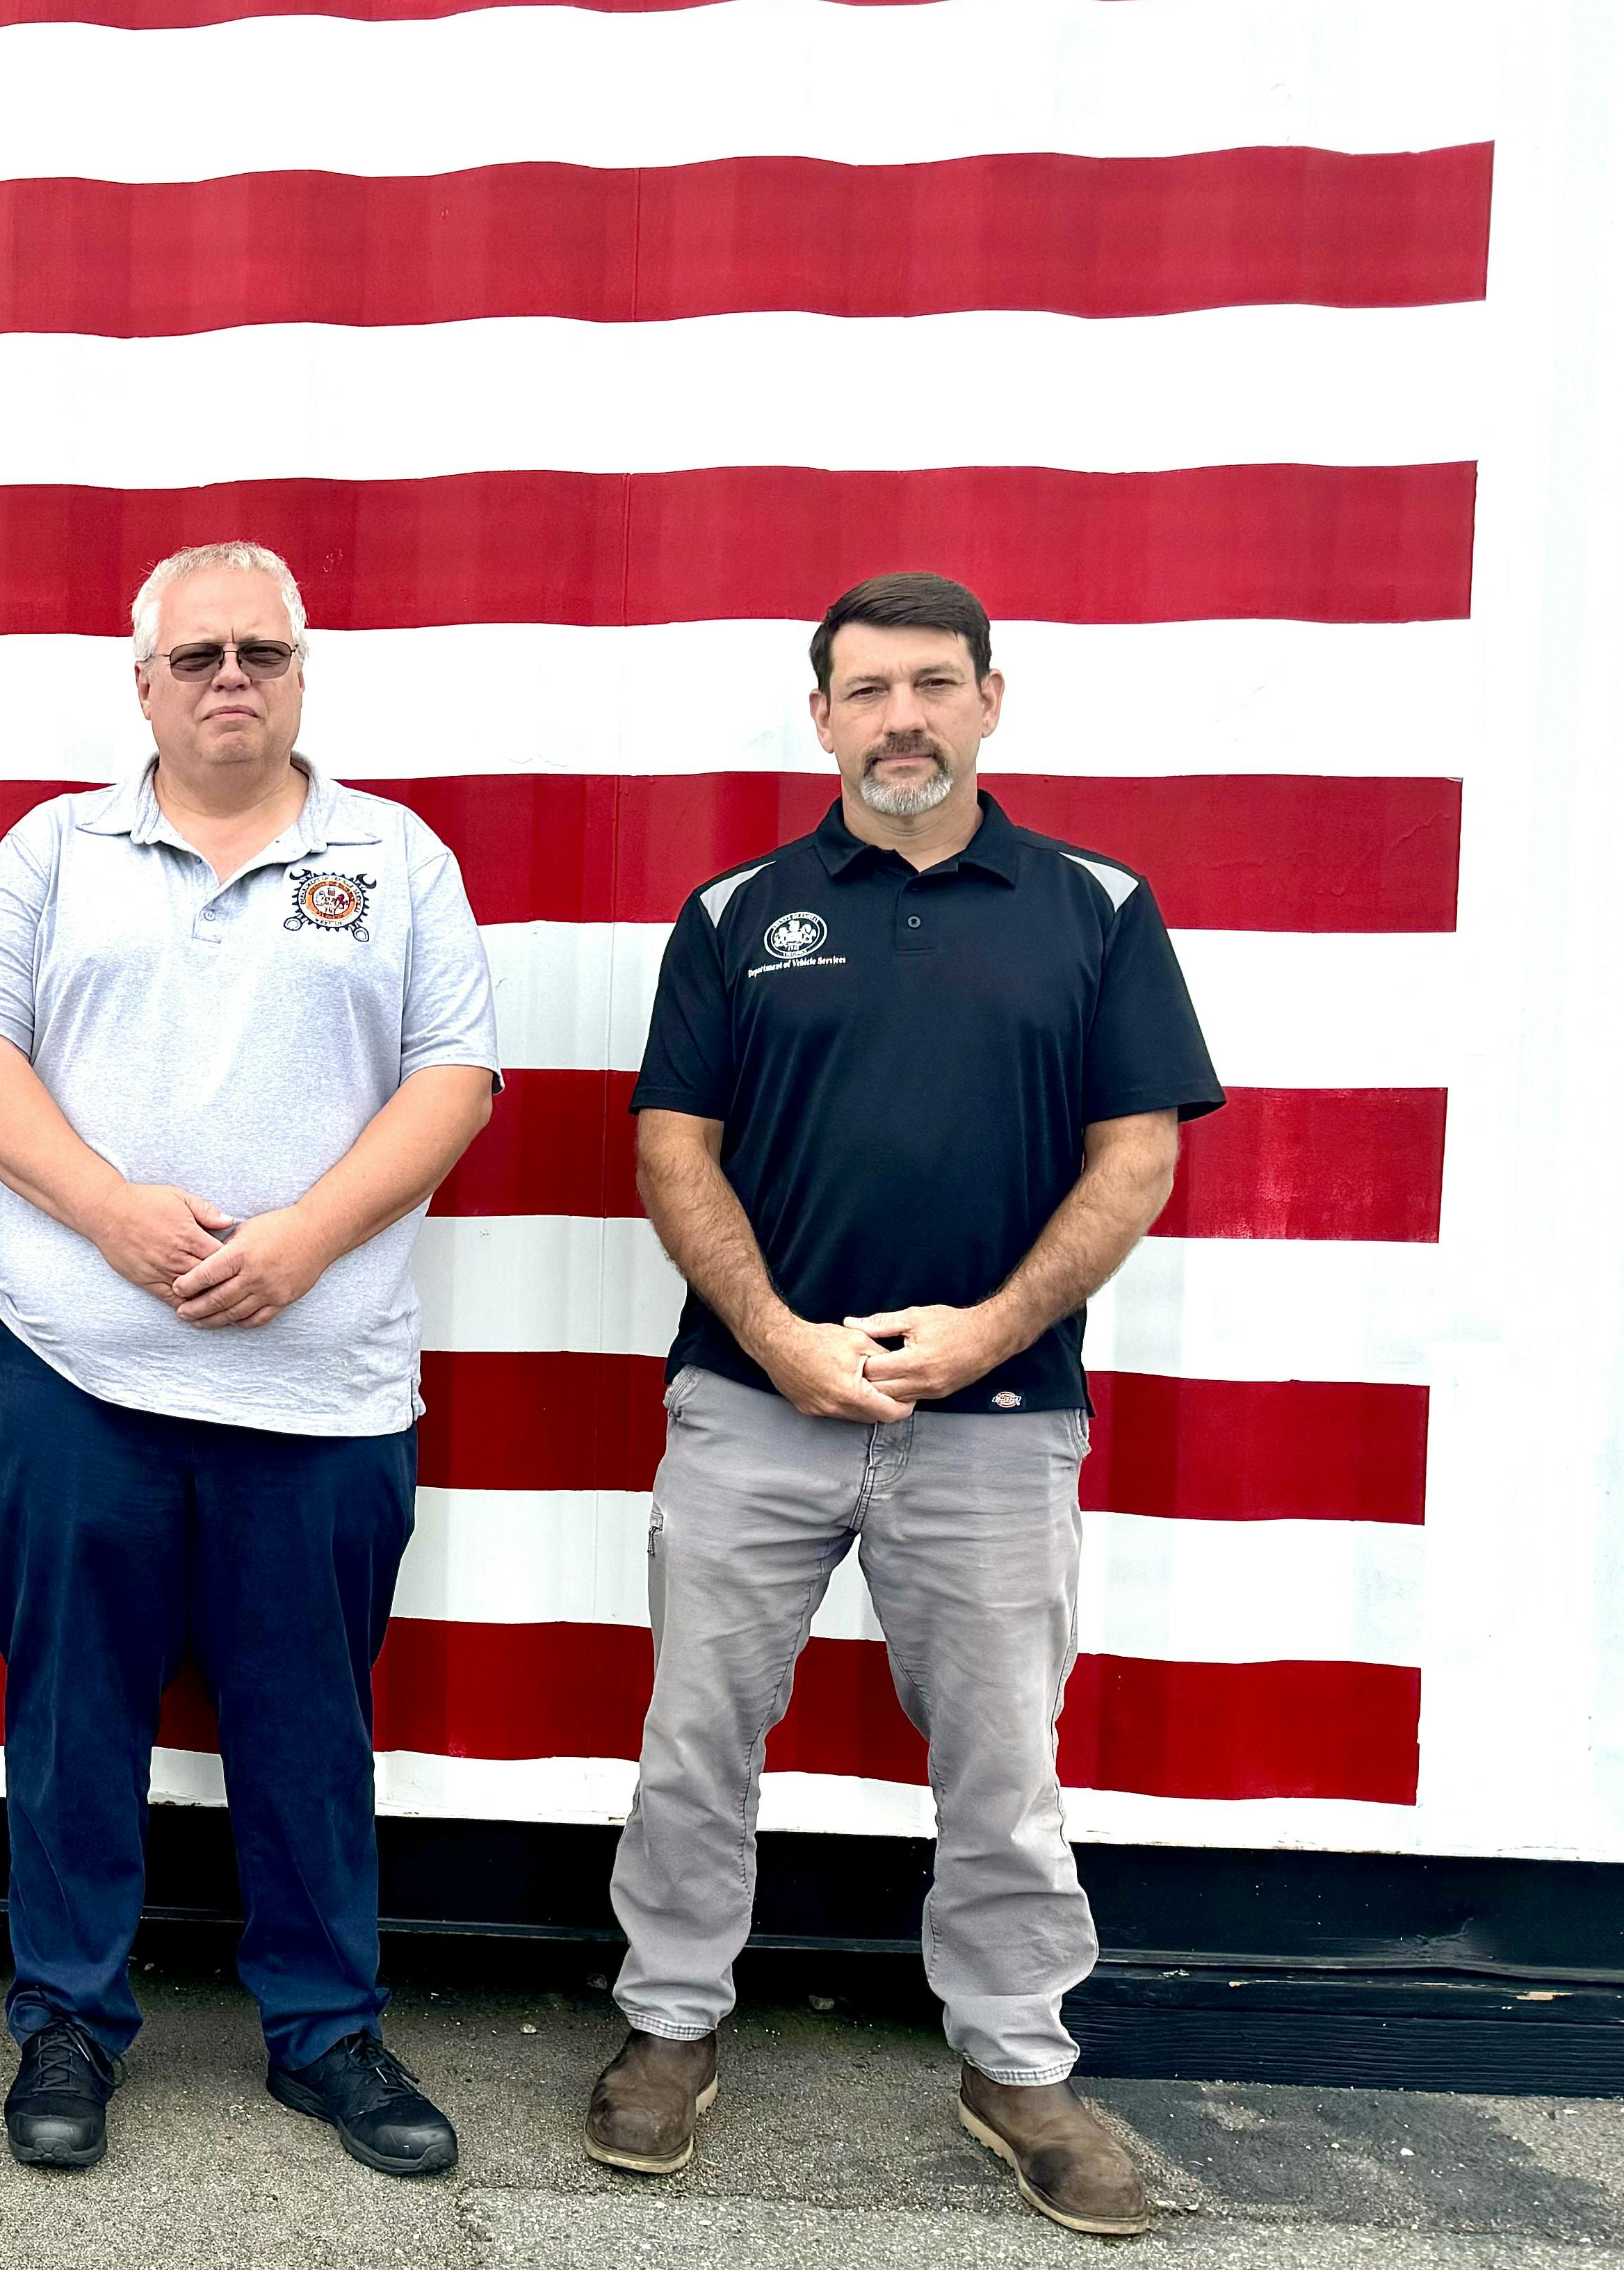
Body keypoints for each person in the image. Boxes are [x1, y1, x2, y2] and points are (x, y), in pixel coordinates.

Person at [584, 572, 1219, 2240]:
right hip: (752, 1404)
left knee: (1003, 1763)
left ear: (990, 701)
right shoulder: (739, 912)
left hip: (999, 1421)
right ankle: (666, 2026)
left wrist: (990, 1327)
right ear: (819, 719)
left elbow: (1135, 1153)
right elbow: (672, 1149)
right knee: (696, 1740)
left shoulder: (1091, 906)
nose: (900, 720)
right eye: (864, 691)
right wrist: (780, 1335)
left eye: (932, 685)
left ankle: (1014, 2062)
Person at [0, 542, 499, 2177]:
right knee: (70, 1716)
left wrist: (307, 1236)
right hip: (72, 1369)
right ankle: (63, 2016)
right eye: (196, 657)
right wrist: (109, 1212)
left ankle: (323, 2029)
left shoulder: (392, 857)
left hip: (315, 1388)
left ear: (303, 674)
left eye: (259, 650)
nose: (228, 676)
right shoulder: (52, 851)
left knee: (308, 1722)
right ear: (143, 684)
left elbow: (452, 1077)